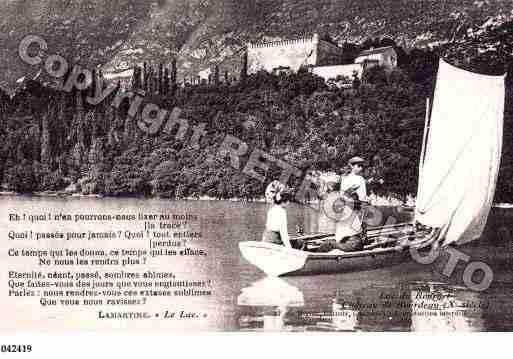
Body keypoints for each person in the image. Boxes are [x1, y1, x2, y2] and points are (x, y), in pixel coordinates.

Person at [332, 156, 368, 252]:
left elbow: (342, 195)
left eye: (362, 166)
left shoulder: (344, 178)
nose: (361, 168)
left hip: (346, 208)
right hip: (351, 209)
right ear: (352, 166)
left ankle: (340, 248)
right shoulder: (360, 179)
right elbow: (363, 199)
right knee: (353, 229)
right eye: (358, 165)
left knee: (343, 231)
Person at [262, 181, 303, 249]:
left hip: (266, 239)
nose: (289, 203)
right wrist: (290, 249)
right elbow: (283, 234)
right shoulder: (282, 212)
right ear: (285, 201)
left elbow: (271, 228)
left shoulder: (272, 209)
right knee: (300, 243)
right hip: (274, 243)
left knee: (295, 241)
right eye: (288, 201)